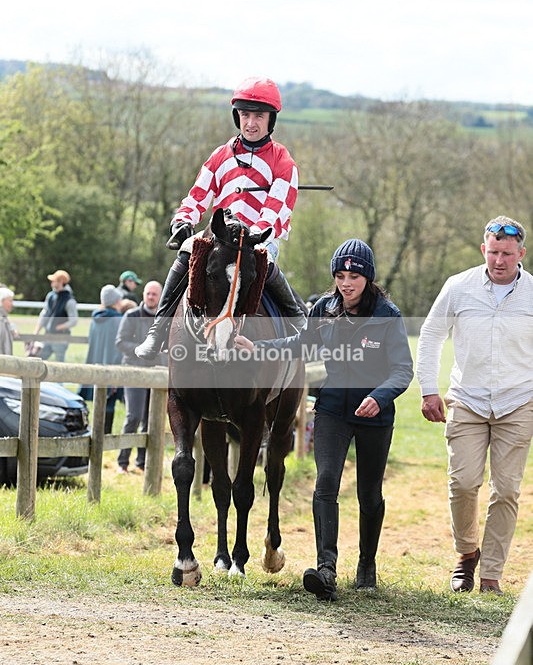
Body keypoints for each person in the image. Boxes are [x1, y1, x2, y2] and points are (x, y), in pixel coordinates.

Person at [236, 239, 414, 600]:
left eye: (354, 277)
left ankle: (366, 564)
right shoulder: (324, 307)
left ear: (368, 278)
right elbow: (300, 344)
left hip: (374, 415)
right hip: (333, 409)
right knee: (326, 481)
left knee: (369, 494)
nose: (346, 283)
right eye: (340, 276)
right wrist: (259, 348)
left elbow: (402, 370)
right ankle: (326, 569)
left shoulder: (387, 314)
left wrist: (378, 397)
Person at [135, 76, 305, 361]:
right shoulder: (220, 155)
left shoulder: (283, 162)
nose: (251, 123)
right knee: (186, 253)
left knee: (265, 262)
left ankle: (300, 322)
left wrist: (252, 235)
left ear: (270, 119)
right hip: (219, 237)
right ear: (237, 116)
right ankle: (157, 331)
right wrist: (183, 220)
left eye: (259, 116)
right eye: (245, 115)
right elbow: (197, 195)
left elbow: (274, 210)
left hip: (258, 239)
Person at [416, 217, 533, 596]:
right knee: (463, 482)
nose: (499, 261)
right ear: (484, 249)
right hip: (467, 400)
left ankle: (491, 575)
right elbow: (431, 334)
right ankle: (467, 555)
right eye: (493, 252)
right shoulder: (459, 287)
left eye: (507, 254)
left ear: (521, 253)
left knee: (507, 490)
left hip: (518, 402)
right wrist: (428, 390)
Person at [116, 280, 165, 474]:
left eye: (154, 294)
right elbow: (121, 342)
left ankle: (142, 462)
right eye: (148, 293)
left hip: (156, 374)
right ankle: (122, 462)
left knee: (150, 419)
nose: (150, 297)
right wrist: (143, 349)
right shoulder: (132, 315)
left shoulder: (164, 318)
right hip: (134, 371)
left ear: (160, 296)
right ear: (143, 294)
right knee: (133, 416)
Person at [79, 285, 124, 434]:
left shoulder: (95, 319)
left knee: (99, 401)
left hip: (95, 363)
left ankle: (97, 433)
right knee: (109, 403)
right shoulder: (118, 320)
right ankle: (105, 436)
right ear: (115, 301)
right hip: (111, 364)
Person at [34, 270, 78, 361]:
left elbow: (73, 320)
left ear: (61, 282)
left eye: (54, 281)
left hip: (61, 337)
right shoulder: (50, 296)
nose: (51, 283)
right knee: (40, 359)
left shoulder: (69, 300)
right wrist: (37, 330)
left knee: (59, 362)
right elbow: (45, 314)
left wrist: (60, 327)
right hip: (48, 335)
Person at [0, 287, 18, 355]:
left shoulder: (4, 318)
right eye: (10, 301)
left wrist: (13, 328)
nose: (12, 304)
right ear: (1, 301)